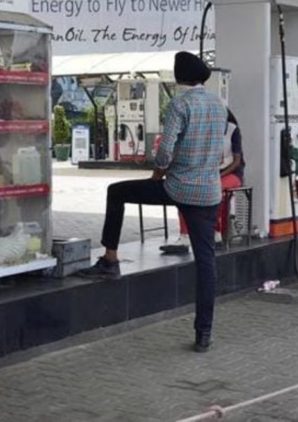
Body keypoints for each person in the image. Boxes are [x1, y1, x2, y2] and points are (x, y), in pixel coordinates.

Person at [79, 51, 227, 353]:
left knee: (117, 192)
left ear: (179, 76)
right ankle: (204, 333)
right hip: (209, 192)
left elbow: (164, 153)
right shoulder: (219, 105)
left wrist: (157, 173)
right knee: (206, 262)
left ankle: (110, 258)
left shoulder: (179, 105)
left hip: (178, 188)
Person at [163, 109, 244, 252]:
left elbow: (237, 161)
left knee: (215, 190)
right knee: (184, 190)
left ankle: (216, 234)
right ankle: (184, 237)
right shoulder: (205, 131)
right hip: (209, 174)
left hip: (232, 173)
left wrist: (218, 175)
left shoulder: (233, 130)